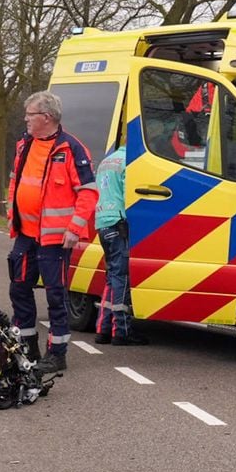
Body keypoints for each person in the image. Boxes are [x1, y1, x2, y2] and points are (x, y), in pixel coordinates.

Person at [7, 91, 98, 374]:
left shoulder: (71, 149)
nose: (26, 120)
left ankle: (57, 353)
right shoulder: (24, 145)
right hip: (26, 234)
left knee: (55, 295)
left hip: (55, 240)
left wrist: (75, 228)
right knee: (19, 288)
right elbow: (17, 182)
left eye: (30, 115)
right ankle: (28, 344)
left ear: (46, 117)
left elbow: (88, 192)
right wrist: (13, 217)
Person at [92, 144, 146, 346]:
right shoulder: (130, 162)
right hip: (118, 222)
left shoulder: (107, 161)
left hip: (102, 222)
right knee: (121, 276)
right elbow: (130, 196)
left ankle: (102, 329)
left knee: (112, 277)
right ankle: (121, 331)